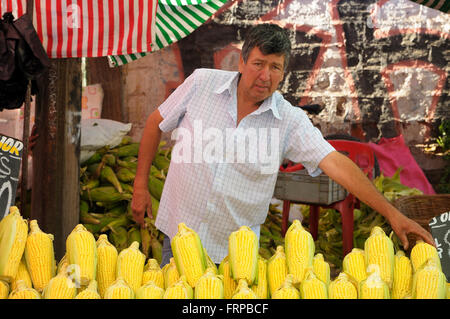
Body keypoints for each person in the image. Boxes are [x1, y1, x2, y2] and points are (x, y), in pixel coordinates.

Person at [131, 23, 435, 266]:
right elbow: (155, 123)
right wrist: (141, 187)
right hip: (181, 234)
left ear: (283, 72)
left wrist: (392, 213)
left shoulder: (288, 120)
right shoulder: (200, 84)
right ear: (241, 61)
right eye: (258, 64)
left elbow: (336, 164)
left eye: (275, 67)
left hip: (234, 254)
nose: (265, 76)